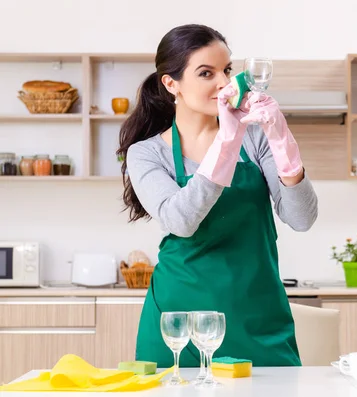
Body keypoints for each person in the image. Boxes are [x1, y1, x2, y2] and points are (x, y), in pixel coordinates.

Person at [116, 24, 318, 368]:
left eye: (227, 70)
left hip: (257, 314)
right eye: (206, 73)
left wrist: (282, 140)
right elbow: (180, 221)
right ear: (171, 83)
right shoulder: (147, 153)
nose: (224, 83)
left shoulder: (254, 139)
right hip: (179, 324)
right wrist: (227, 142)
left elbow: (301, 218)